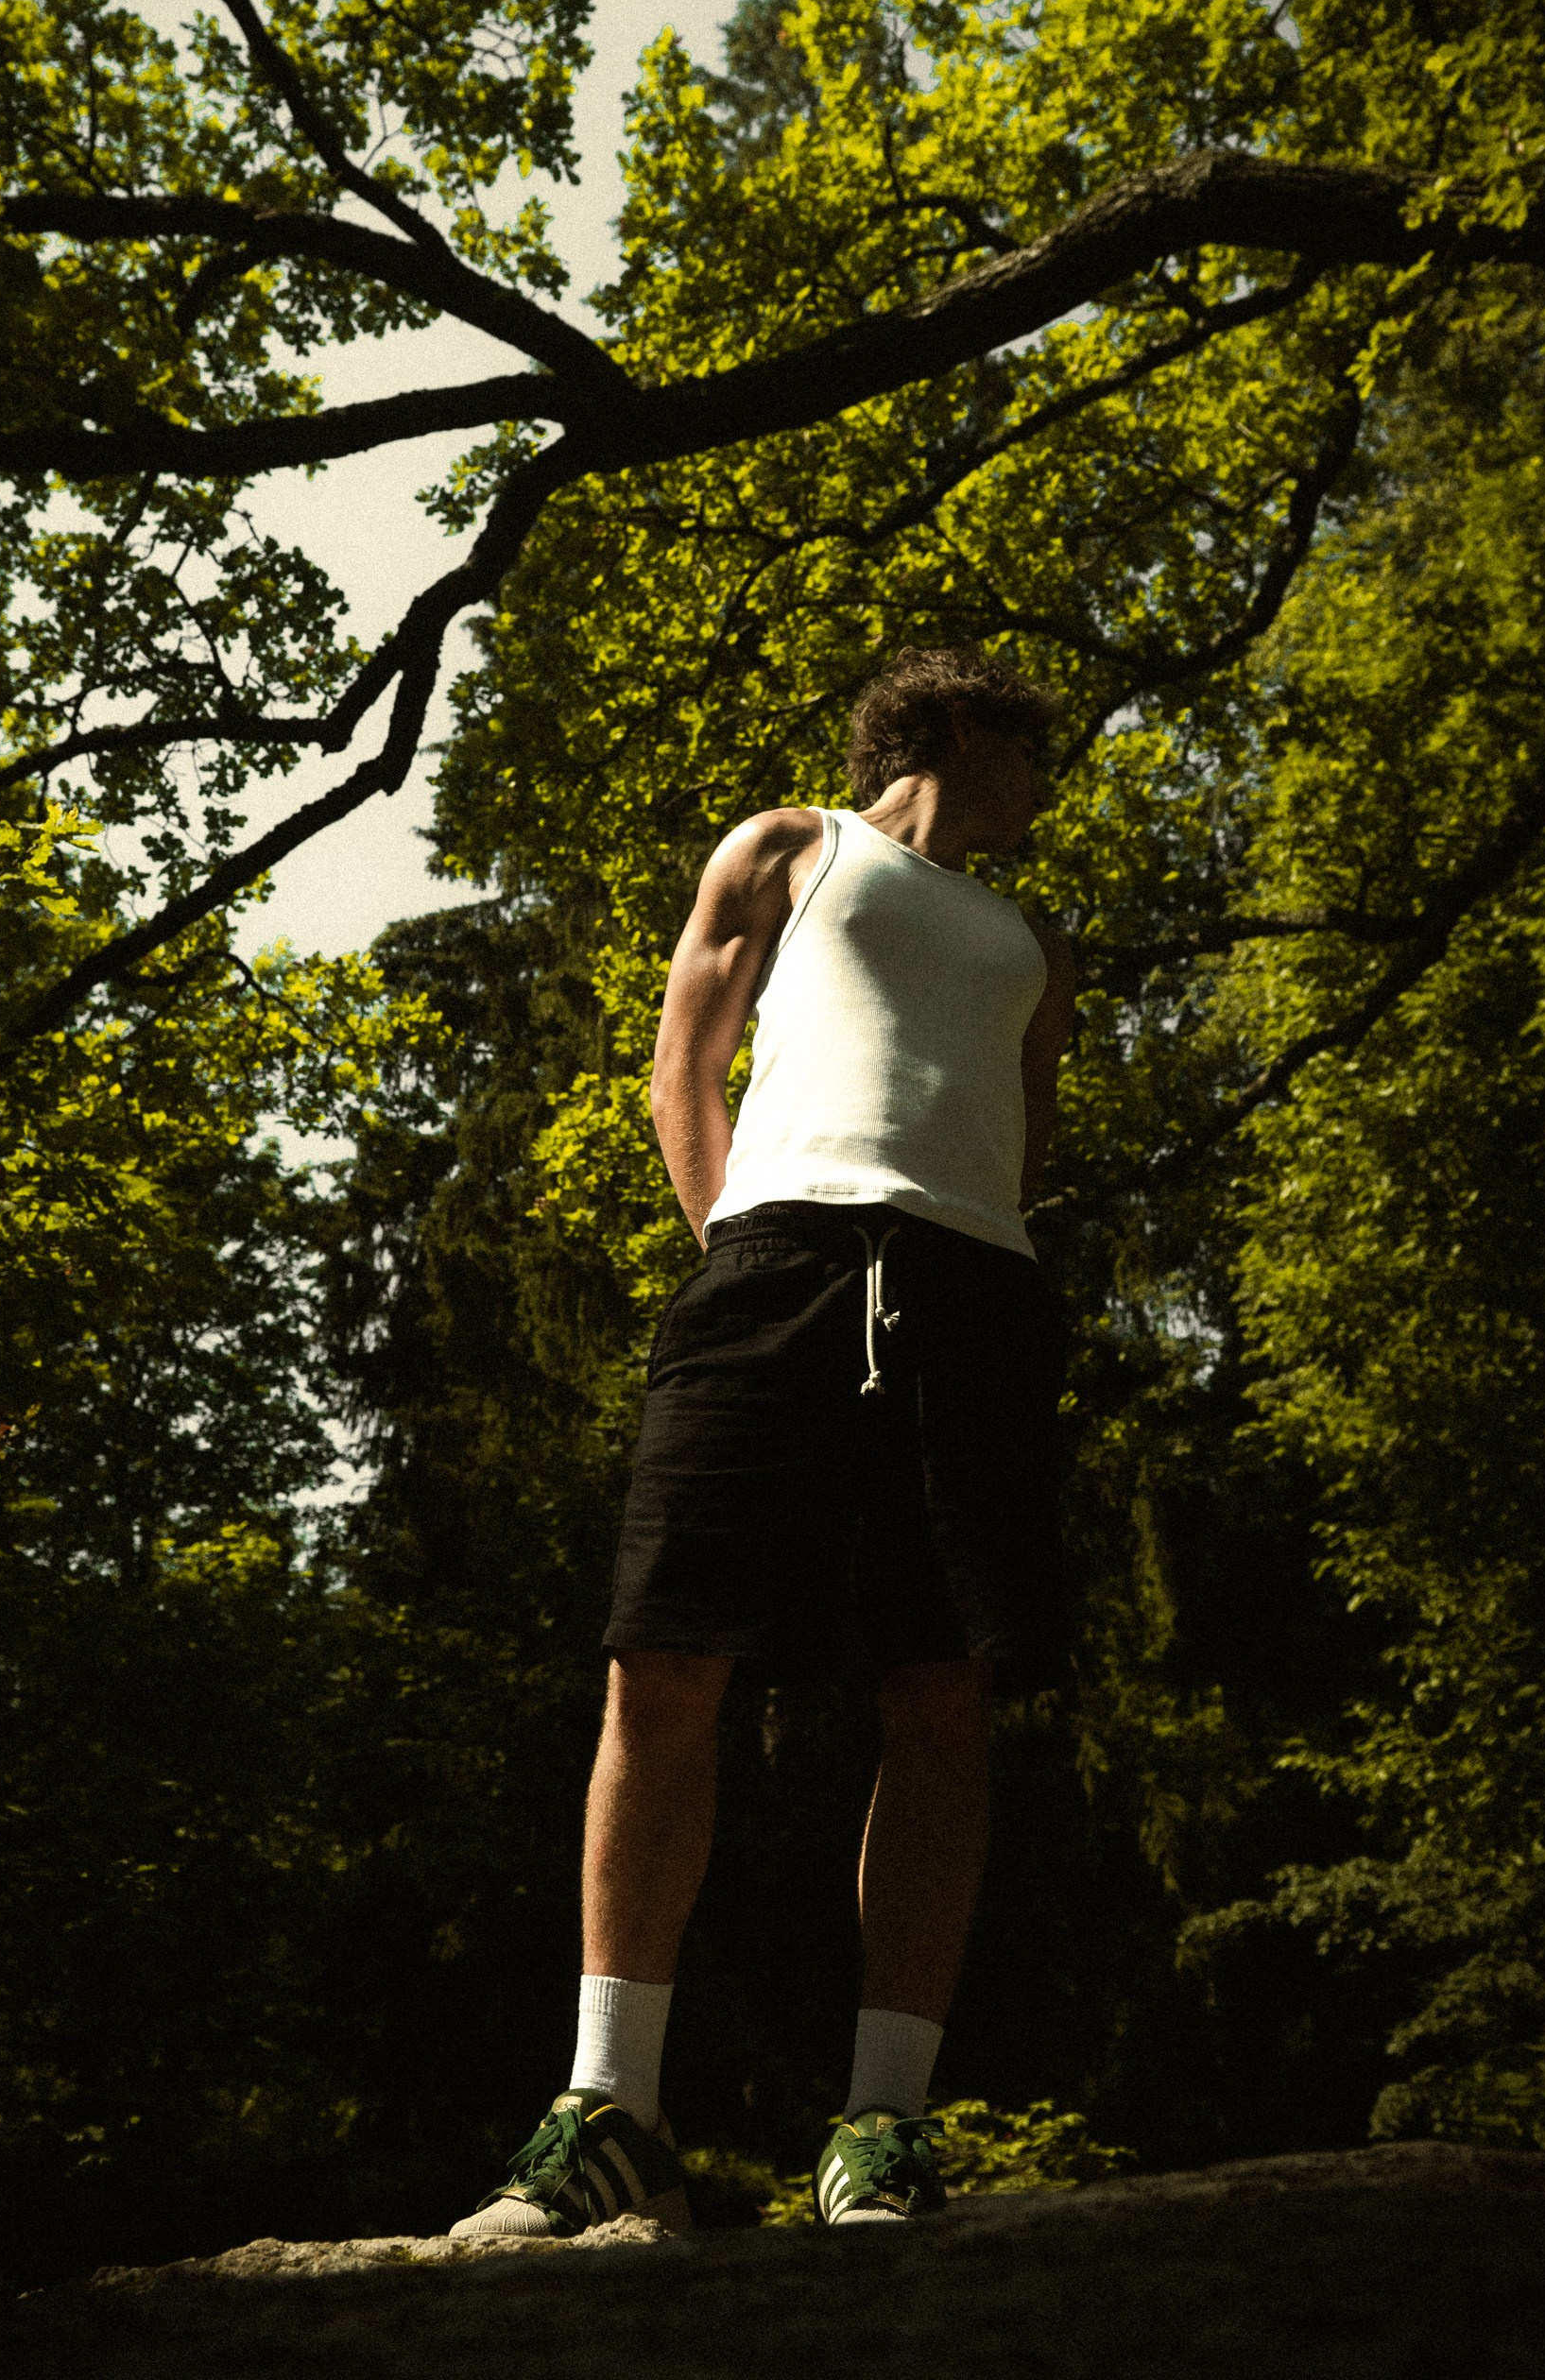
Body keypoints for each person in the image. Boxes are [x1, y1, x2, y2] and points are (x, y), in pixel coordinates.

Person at [450, 645, 1076, 2240]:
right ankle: (609, 2114)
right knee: (662, 1664)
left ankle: (882, 2129)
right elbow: (685, 1063)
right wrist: (734, 1245)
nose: (1047, 786)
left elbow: (1028, 1128)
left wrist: (979, 1268)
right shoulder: (792, 847)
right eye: (1030, 751)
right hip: (776, 1264)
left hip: (969, 1293)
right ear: (949, 727)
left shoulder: (1029, 941)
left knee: (938, 1692)